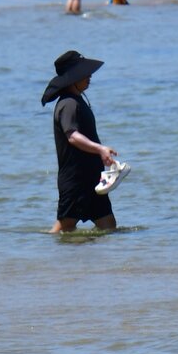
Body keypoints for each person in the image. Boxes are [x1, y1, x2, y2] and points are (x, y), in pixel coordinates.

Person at [42, 50, 127, 233]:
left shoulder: (77, 100)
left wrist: (100, 154)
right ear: (73, 77)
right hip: (75, 180)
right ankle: (43, 255)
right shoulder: (68, 104)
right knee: (64, 228)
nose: (89, 76)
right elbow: (72, 136)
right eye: (84, 73)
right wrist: (100, 149)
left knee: (109, 226)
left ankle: (95, 260)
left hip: (91, 177)